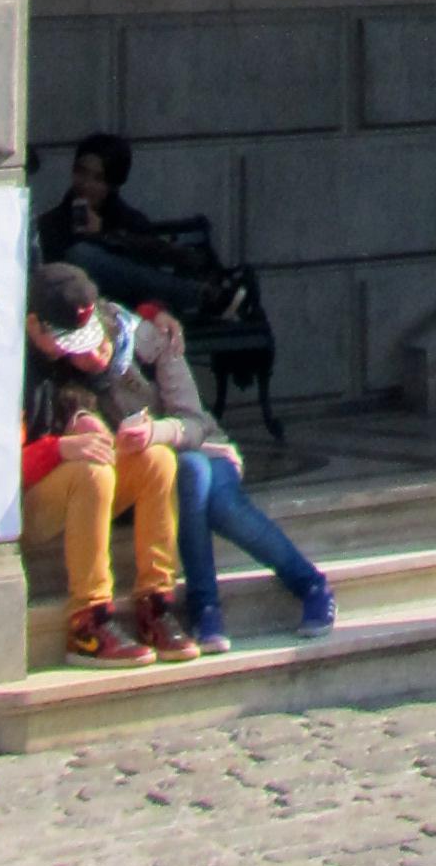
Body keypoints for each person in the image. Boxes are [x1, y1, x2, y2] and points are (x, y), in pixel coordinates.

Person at [128, 300, 336, 651]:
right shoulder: (86, 366)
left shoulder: (154, 339)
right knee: (193, 475)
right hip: (154, 471)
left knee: (216, 497)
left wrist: (154, 432)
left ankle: (307, 585)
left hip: (204, 446)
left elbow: (194, 423)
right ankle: (207, 607)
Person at [23, 262, 194, 663]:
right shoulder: (9, 364)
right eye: (64, 340)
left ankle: (156, 601)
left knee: (156, 459)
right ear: (33, 324)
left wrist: (81, 417)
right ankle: (89, 620)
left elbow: (118, 320)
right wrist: (58, 448)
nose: (72, 351)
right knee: (93, 473)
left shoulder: (64, 349)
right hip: (22, 505)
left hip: (75, 485)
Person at [34, 134, 220, 317]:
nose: (86, 184)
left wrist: (104, 235)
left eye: (98, 178)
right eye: (81, 172)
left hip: (128, 309)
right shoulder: (51, 222)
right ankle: (197, 294)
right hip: (80, 309)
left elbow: (149, 265)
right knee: (80, 255)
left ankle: (200, 294)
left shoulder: (129, 220)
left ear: (112, 185)